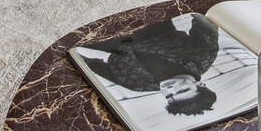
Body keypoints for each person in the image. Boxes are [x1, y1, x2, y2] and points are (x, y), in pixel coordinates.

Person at [84, 13, 222, 116]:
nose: (169, 89)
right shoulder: (204, 55)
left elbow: (88, 65)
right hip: (145, 16)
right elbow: (205, 19)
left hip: (100, 34)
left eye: (169, 96)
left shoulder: (137, 85)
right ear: (199, 85)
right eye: (182, 90)